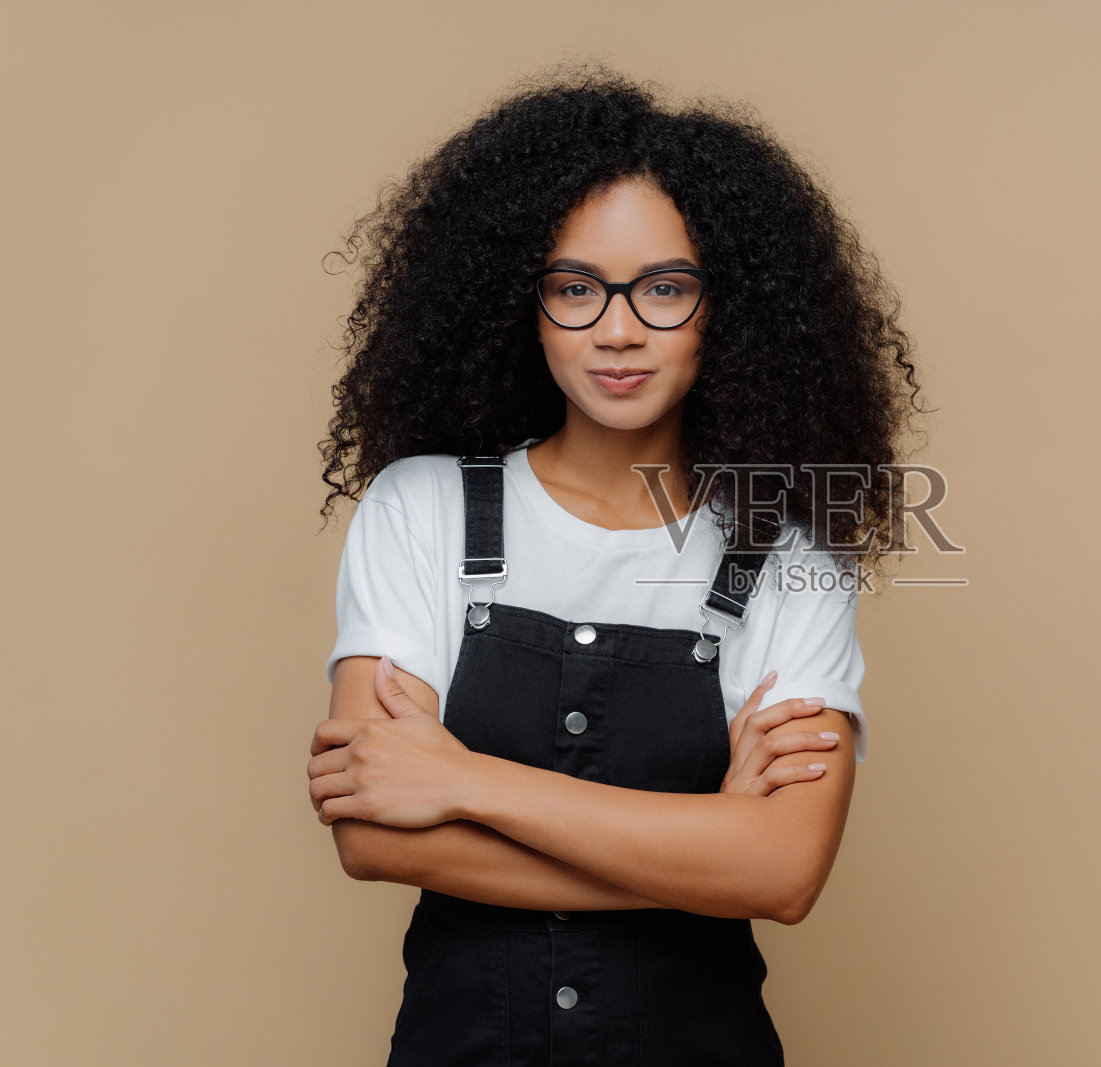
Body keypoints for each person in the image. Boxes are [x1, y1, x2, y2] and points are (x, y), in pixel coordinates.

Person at [305, 62, 924, 1066]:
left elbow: (785, 871)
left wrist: (466, 783)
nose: (619, 328)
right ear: (524, 299)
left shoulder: (787, 547)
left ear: (731, 306)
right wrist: (705, 845)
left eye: (666, 287)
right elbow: (375, 834)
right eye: (576, 287)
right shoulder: (419, 505)